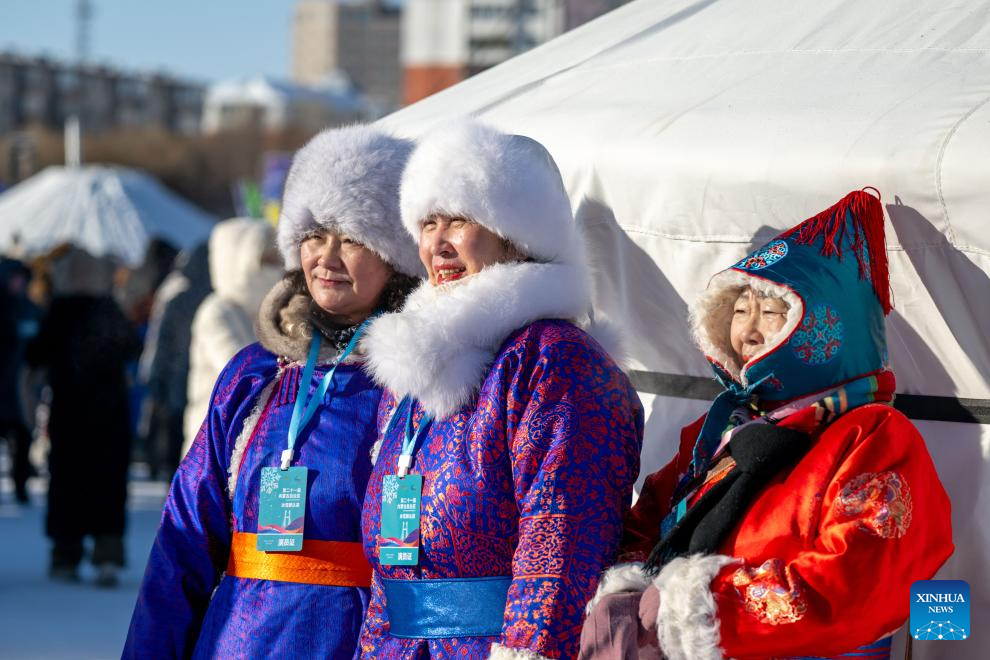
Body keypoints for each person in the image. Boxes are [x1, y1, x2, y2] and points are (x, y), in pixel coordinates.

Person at [579, 190, 953, 660]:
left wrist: (701, 607)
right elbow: (653, 513)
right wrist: (629, 586)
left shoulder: (873, 436)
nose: (748, 331)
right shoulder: (722, 429)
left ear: (824, 325)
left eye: (772, 313)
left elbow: (861, 578)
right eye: (739, 312)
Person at [124, 125, 422, 659]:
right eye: (315, 235)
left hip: (358, 640)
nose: (326, 257)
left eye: (352, 238)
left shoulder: (421, 384)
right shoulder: (255, 375)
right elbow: (186, 538)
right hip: (237, 639)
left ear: (395, 254)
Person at [358, 120, 644, 660]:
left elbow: (561, 540)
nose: (437, 243)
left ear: (515, 236)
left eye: (459, 220)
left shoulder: (554, 360)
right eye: (427, 223)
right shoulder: (417, 367)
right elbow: (388, 566)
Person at [26, 247, 141, 586]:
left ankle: (66, 552)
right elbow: (132, 348)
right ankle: (108, 553)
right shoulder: (110, 307)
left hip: (70, 412)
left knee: (67, 481)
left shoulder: (59, 311)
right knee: (109, 483)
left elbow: (36, 354)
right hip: (109, 413)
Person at [182, 217, 282, 458]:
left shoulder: (272, 313)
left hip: (255, 440)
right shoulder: (217, 311)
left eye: (276, 260)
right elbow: (241, 371)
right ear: (237, 262)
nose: (277, 269)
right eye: (265, 261)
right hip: (214, 443)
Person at [138, 241, 211, 479]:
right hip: (206, 383)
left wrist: (153, 376)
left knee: (174, 442)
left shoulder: (176, 297)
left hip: (175, 380)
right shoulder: (220, 299)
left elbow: (161, 342)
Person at [0, 257, 41, 503]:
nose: (19, 283)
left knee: (23, 438)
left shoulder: (31, 310)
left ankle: (21, 485)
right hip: (3, 386)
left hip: (23, 389)